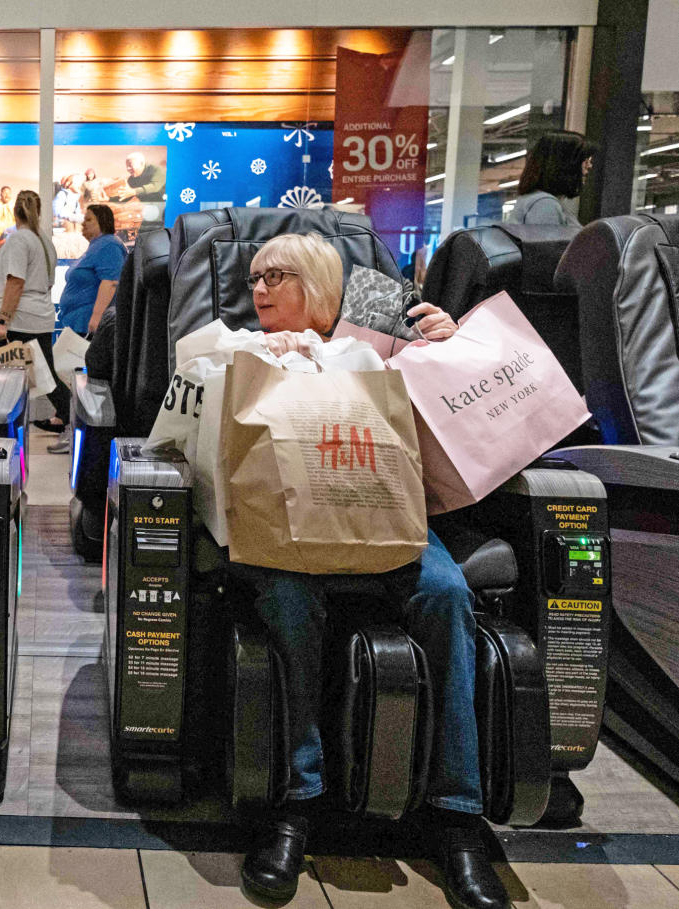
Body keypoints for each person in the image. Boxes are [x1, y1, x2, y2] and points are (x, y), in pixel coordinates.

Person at [235, 233, 508, 909]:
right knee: (289, 598)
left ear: (320, 283)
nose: (259, 290)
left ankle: (457, 815)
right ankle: (296, 803)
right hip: (290, 527)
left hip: (385, 513)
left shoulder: (387, 329)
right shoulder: (236, 349)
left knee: (445, 592)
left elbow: (462, 394)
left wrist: (450, 346)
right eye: (253, 278)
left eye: (275, 276)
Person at [0, 189, 68, 434]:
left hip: (18, 321)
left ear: (15, 211)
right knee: (45, 376)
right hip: (39, 316)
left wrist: (2, 321)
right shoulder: (44, 241)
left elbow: (16, 282)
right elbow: (49, 283)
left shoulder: (20, 240)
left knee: (1, 378)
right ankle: (70, 414)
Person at [57, 204, 127, 337]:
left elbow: (110, 282)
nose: (83, 224)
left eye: (89, 220)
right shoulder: (96, 246)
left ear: (103, 221)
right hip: (78, 324)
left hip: (90, 327)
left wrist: (96, 317)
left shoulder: (109, 245)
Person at [506, 130, 596, 226]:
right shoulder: (544, 205)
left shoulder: (536, 200)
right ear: (565, 164)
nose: (589, 166)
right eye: (585, 160)